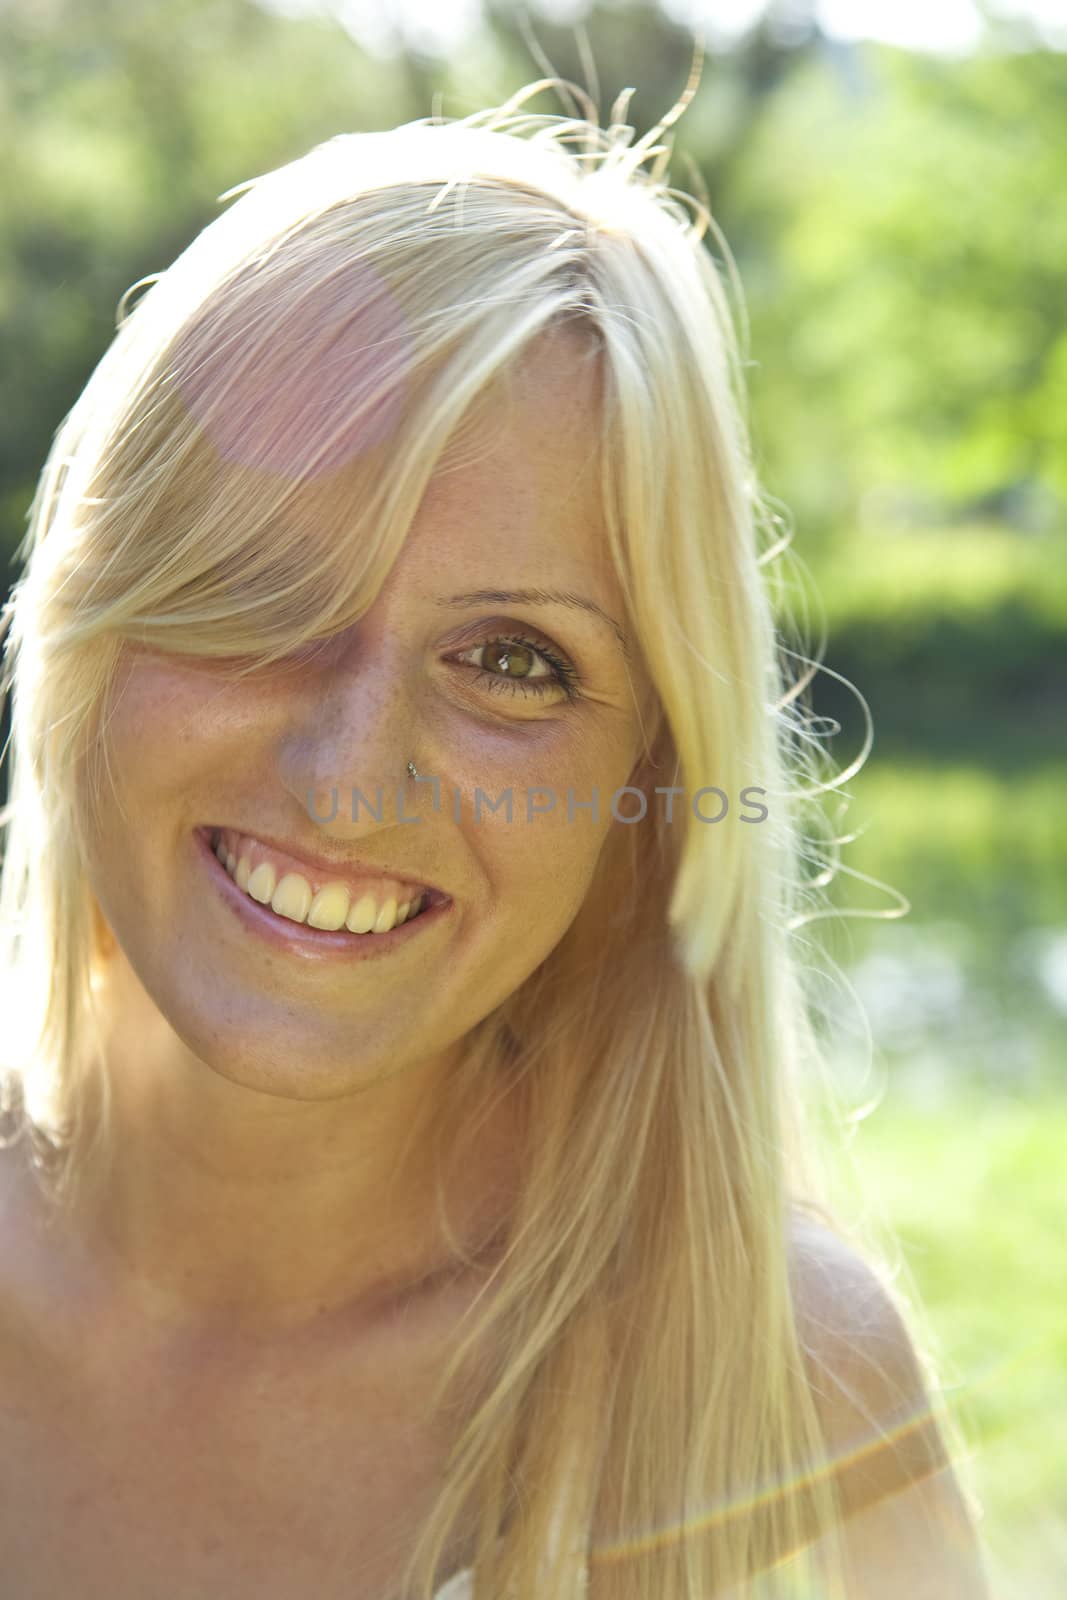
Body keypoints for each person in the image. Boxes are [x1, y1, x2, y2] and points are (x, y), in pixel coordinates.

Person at [0, 60, 993, 1600]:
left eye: (516, 663)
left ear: (645, 790)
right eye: (262, 595)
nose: (347, 775)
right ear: (84, 624)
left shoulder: (789, 1404)